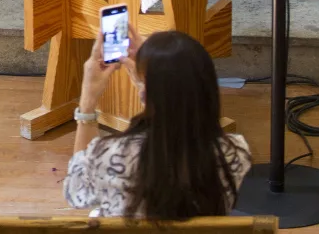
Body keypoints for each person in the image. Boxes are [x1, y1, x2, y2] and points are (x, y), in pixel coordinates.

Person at [63, 27, 252, 219]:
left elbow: (75, 191)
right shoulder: (236, 152)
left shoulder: (111, 154)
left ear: (146, 93)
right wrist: (156, 72)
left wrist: (87, 101)